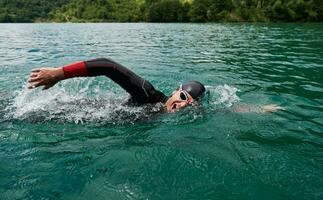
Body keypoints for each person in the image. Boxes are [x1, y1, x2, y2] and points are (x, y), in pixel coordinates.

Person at [28, 58, 282, 113]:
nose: (182, 103)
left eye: (188, 102)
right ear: (175, 90)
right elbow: (107, 66)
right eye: (182, 95)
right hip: (69, 111)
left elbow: (225, 109)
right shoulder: (150, 96)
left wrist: (261, 110)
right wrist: (58, 74)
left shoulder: (186, 113)